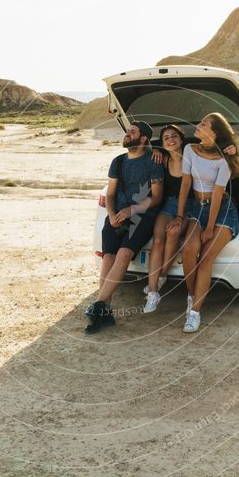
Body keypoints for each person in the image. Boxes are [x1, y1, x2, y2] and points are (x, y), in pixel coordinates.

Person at [166, 113, 239, 332]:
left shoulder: (224, 159)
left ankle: (194, 313)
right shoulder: (189, 150)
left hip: (221, 211)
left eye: (203, 124)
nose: (198, 125)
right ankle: (193, 296)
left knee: (205, 259)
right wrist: (180, 215)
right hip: (196, 208)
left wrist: (210, 227)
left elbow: (217, 193)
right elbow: (185, 185)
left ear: (214, 133)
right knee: (188, 250)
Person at [85, 120, 164, 333]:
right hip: (116, 215)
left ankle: (98, 306)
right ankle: (104, 310)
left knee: (123, 255)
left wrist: (132, 210)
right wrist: (111, 215)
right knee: (108, 257)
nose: (128, 134)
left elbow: (156, 198)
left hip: (142, 215)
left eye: (133, 131)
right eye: (127, 131)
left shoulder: (153, 161)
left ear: (144, 138)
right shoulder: (118, 161)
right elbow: (109, 194)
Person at [142, 125, 191, 313]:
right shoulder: (163, 159)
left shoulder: (191, 157)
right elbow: (147, 146)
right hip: (169, 204)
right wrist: (155, 148)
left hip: (189, 206)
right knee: (158, 239)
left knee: (173, 233)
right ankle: (153, 293)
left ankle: (162, 275)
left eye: (174, 136)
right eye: (166, 138)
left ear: (181, 138)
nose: (170, 140)